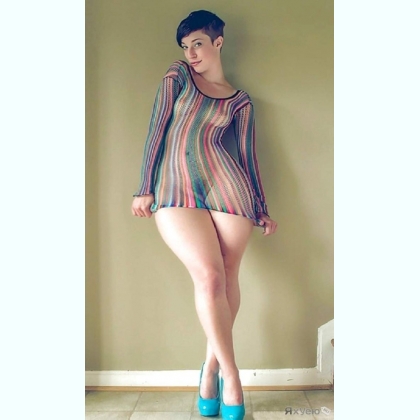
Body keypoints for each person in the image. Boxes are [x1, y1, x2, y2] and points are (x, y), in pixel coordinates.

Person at [131, 10, 277, 420]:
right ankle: (230, 374)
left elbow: (246, 156)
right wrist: (144, 186)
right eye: (185, 46)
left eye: (197, 43)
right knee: (210, 278)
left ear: (218, 42)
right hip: (174, 188)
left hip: (228, 187)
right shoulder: (177, 76)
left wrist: (261, 207)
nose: (190, 53)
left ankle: (210, 368)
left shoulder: (240, 100)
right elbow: (156, 129)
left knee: (227, 276)